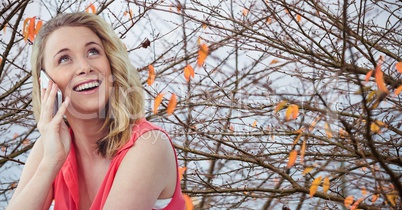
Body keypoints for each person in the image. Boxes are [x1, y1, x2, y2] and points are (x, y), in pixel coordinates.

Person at [7, 12, 185, 210]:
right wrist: (51, 162)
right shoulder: (49, 148)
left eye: (93, 52)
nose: (85, 67)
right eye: (64, 59)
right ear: (47, 82)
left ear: (111, 63)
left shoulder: (149, 145)